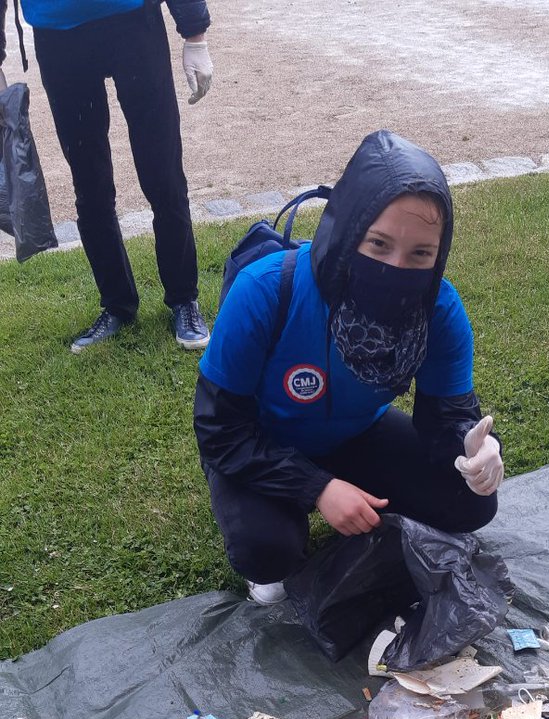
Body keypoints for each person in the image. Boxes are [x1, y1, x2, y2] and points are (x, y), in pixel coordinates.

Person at [194, 130, 504, 604]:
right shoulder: (263, 290)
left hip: (354, 433)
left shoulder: (438, 308)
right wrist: (318, 488)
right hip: (259, 440)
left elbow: (446, 415)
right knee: (267, 549)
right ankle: (289, 510)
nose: (397, 268)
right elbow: (219, 429)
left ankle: (368, 501)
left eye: (420, 254)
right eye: (378, 244)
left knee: (471, 500)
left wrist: (472, 448)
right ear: (345, 232)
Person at [0, 0, 213, 353]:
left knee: (163, 172)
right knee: (89, 182)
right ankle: (117, 305)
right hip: (58, 34)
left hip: (133, 22)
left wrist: (195, 35)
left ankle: (183, 299)